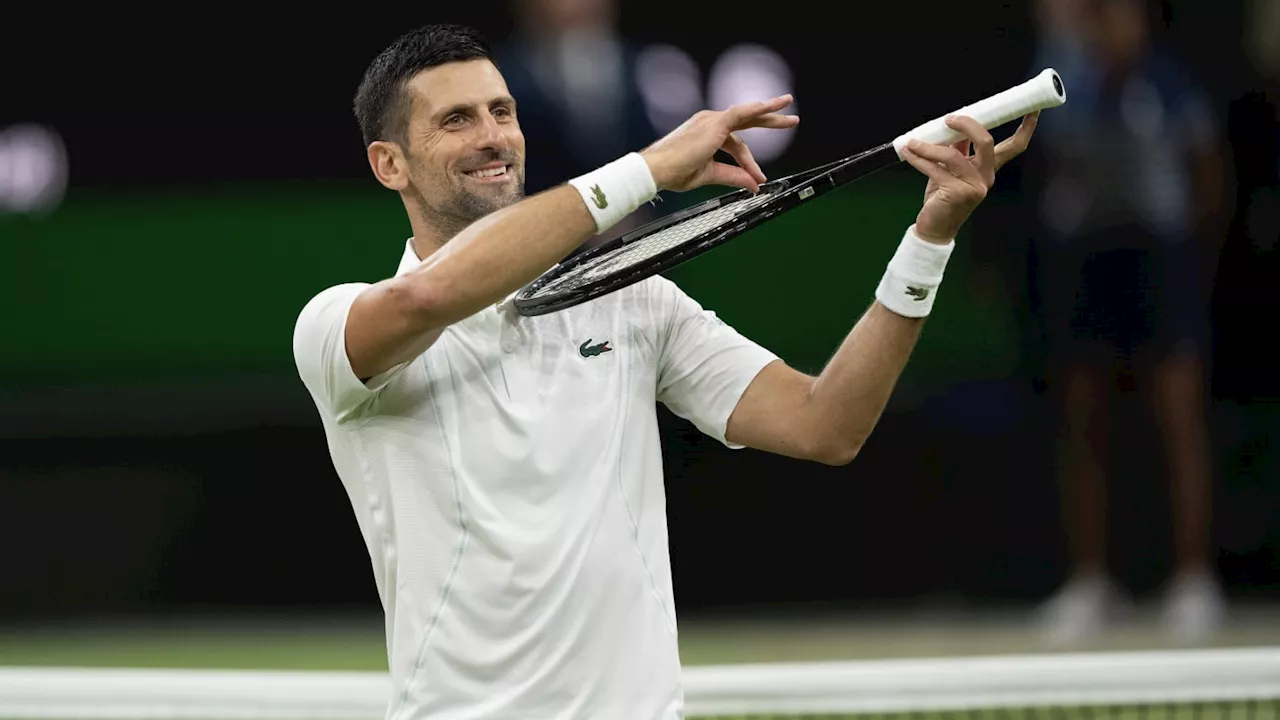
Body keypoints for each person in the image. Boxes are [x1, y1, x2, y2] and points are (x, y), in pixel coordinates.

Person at [292, 23, 1037, 719]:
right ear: (390, 163)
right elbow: (432, 294)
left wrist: (929, 239)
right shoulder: (336, 327)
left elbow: (825, 424)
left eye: (502, 111)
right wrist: (649, 168)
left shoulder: (635, 301)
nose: (494, 137)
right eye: (456, 119)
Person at [1028, 0, 1227, 646]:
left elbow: (1208, 173)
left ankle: (1194, 582)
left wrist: (1196, 252)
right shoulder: (1059, 81)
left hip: (1160, 257)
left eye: (1125, 15)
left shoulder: (1169, 83)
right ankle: (1089, 584)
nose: (1115, 27)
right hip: (1086, 259)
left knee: (1178, 417)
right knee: (1083, 420)